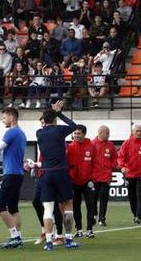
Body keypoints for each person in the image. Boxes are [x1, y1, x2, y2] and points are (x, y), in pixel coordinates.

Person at [36, 100, 79, 251]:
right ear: (54, 120)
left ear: (43, 120)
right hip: (60, 172)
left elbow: (47, 124)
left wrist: (53, 113)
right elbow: (74, 126)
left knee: (48, 209)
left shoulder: (39, 133)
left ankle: (49, 242)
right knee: (67, 205)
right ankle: (68, 239)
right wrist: (59, 112)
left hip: (46, 174)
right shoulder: (59, 130)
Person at [0, 107, 27, 249]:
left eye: (4, 118)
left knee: (0, 206)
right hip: (18, 174)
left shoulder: (11, 132)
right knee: (13, 208)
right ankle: (18, 237)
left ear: (11, 118)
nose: (3, 121)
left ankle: (15, 237)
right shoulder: (21, 133)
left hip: (11, 173)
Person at [118, 124, 141, 225]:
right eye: (137, 131)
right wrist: (122, 167)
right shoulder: (126, 143)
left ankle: (138, 216)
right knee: (132, 197)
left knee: (140, 195)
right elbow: (121, 157)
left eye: (140, 131)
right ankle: (135, 214)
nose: (139, 133)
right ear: (133, 132)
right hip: (129, 175)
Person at [67, 125, 96, 238]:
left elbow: (95, 163)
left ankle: (89, 229)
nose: (76, 136)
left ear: (84, 134)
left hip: (88, 181)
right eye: (75, 134)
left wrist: (92, 178)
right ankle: (79, 229)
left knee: (90, 205)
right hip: (74, 182)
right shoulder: (70, 147)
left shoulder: (91, 146)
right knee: (76, 206)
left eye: (78, 134)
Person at [91, 125, 118, 227]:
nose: (109, 135)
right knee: (93, 198)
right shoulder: (92, 144)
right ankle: (93, 215)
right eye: (107, 133)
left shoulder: (110, 145)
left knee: (104, 198)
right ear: (101, 133)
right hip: (94, 177)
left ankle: (102, 218)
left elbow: (115, 158)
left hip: (105, 177)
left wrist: (111, 166)